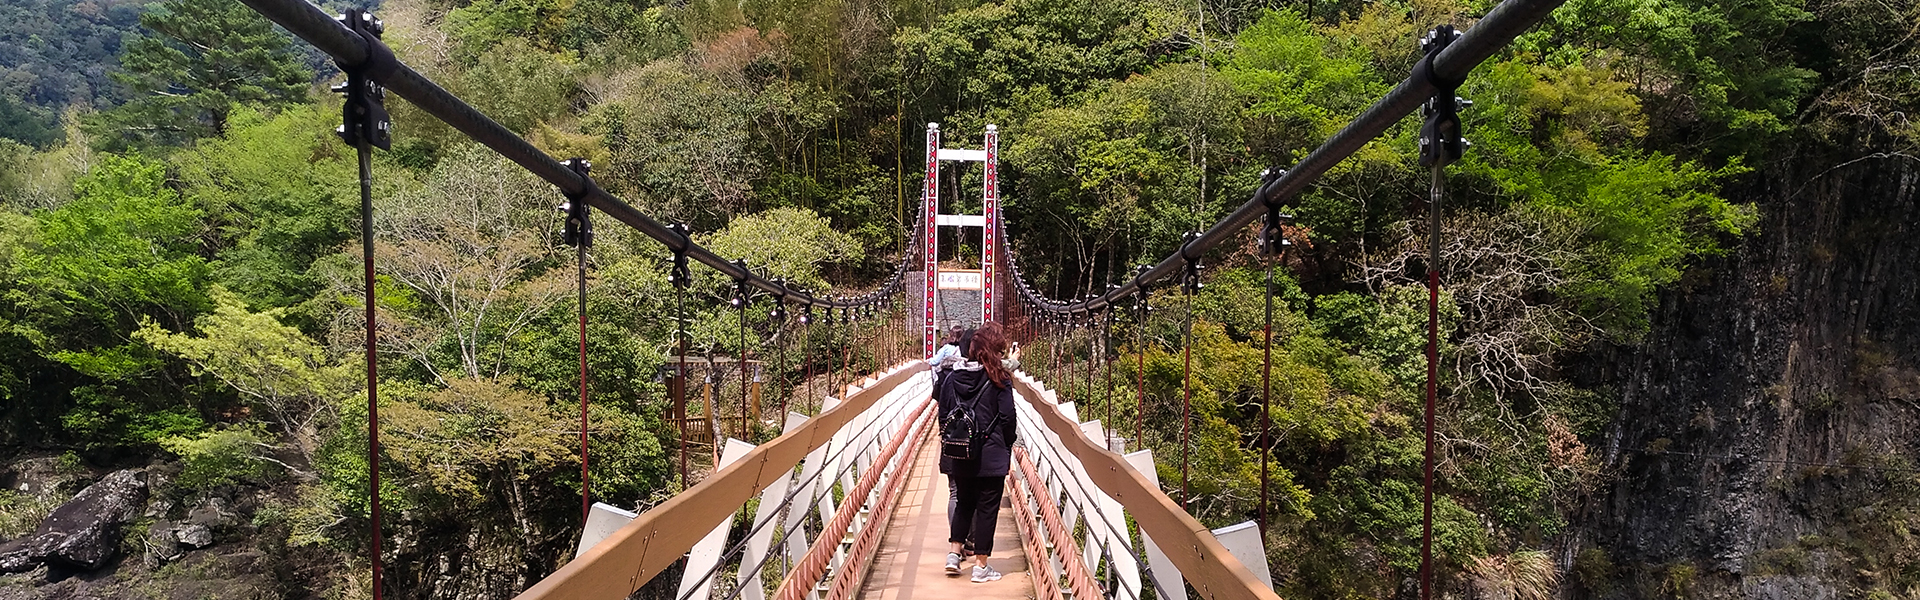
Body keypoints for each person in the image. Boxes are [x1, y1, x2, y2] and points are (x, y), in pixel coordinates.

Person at [935, 322, 1018, 583]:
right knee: (987, 509)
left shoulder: (950, 379)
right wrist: (1007, 443)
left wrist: (953, 443)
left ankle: (953, 554)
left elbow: (943, 415)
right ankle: (981, 566)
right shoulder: (1000, 379)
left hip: (961, 452)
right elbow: (1008, 417)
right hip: (991, 454)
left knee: (964, 503)